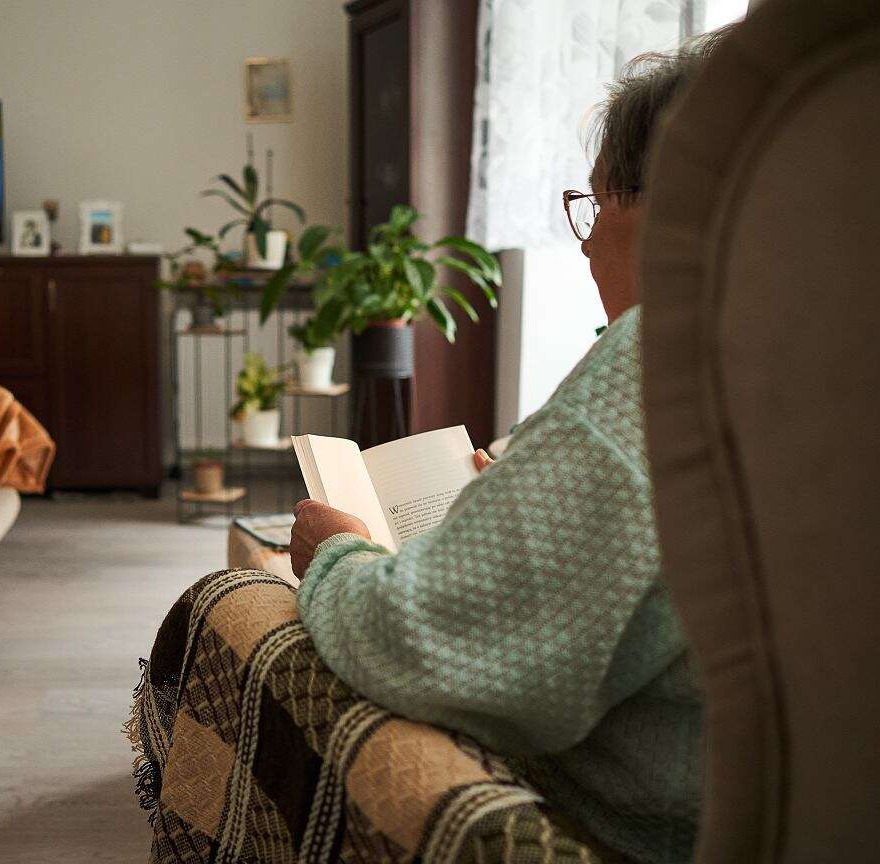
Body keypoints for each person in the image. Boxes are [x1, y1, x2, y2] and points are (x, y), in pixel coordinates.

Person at [287, 29, 730, 864]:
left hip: (666, 830)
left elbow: (427, 650)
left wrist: (339, 556)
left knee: (247, 612)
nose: (588, 242)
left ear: (676, 205)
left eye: (597, 208)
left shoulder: (667, 356)